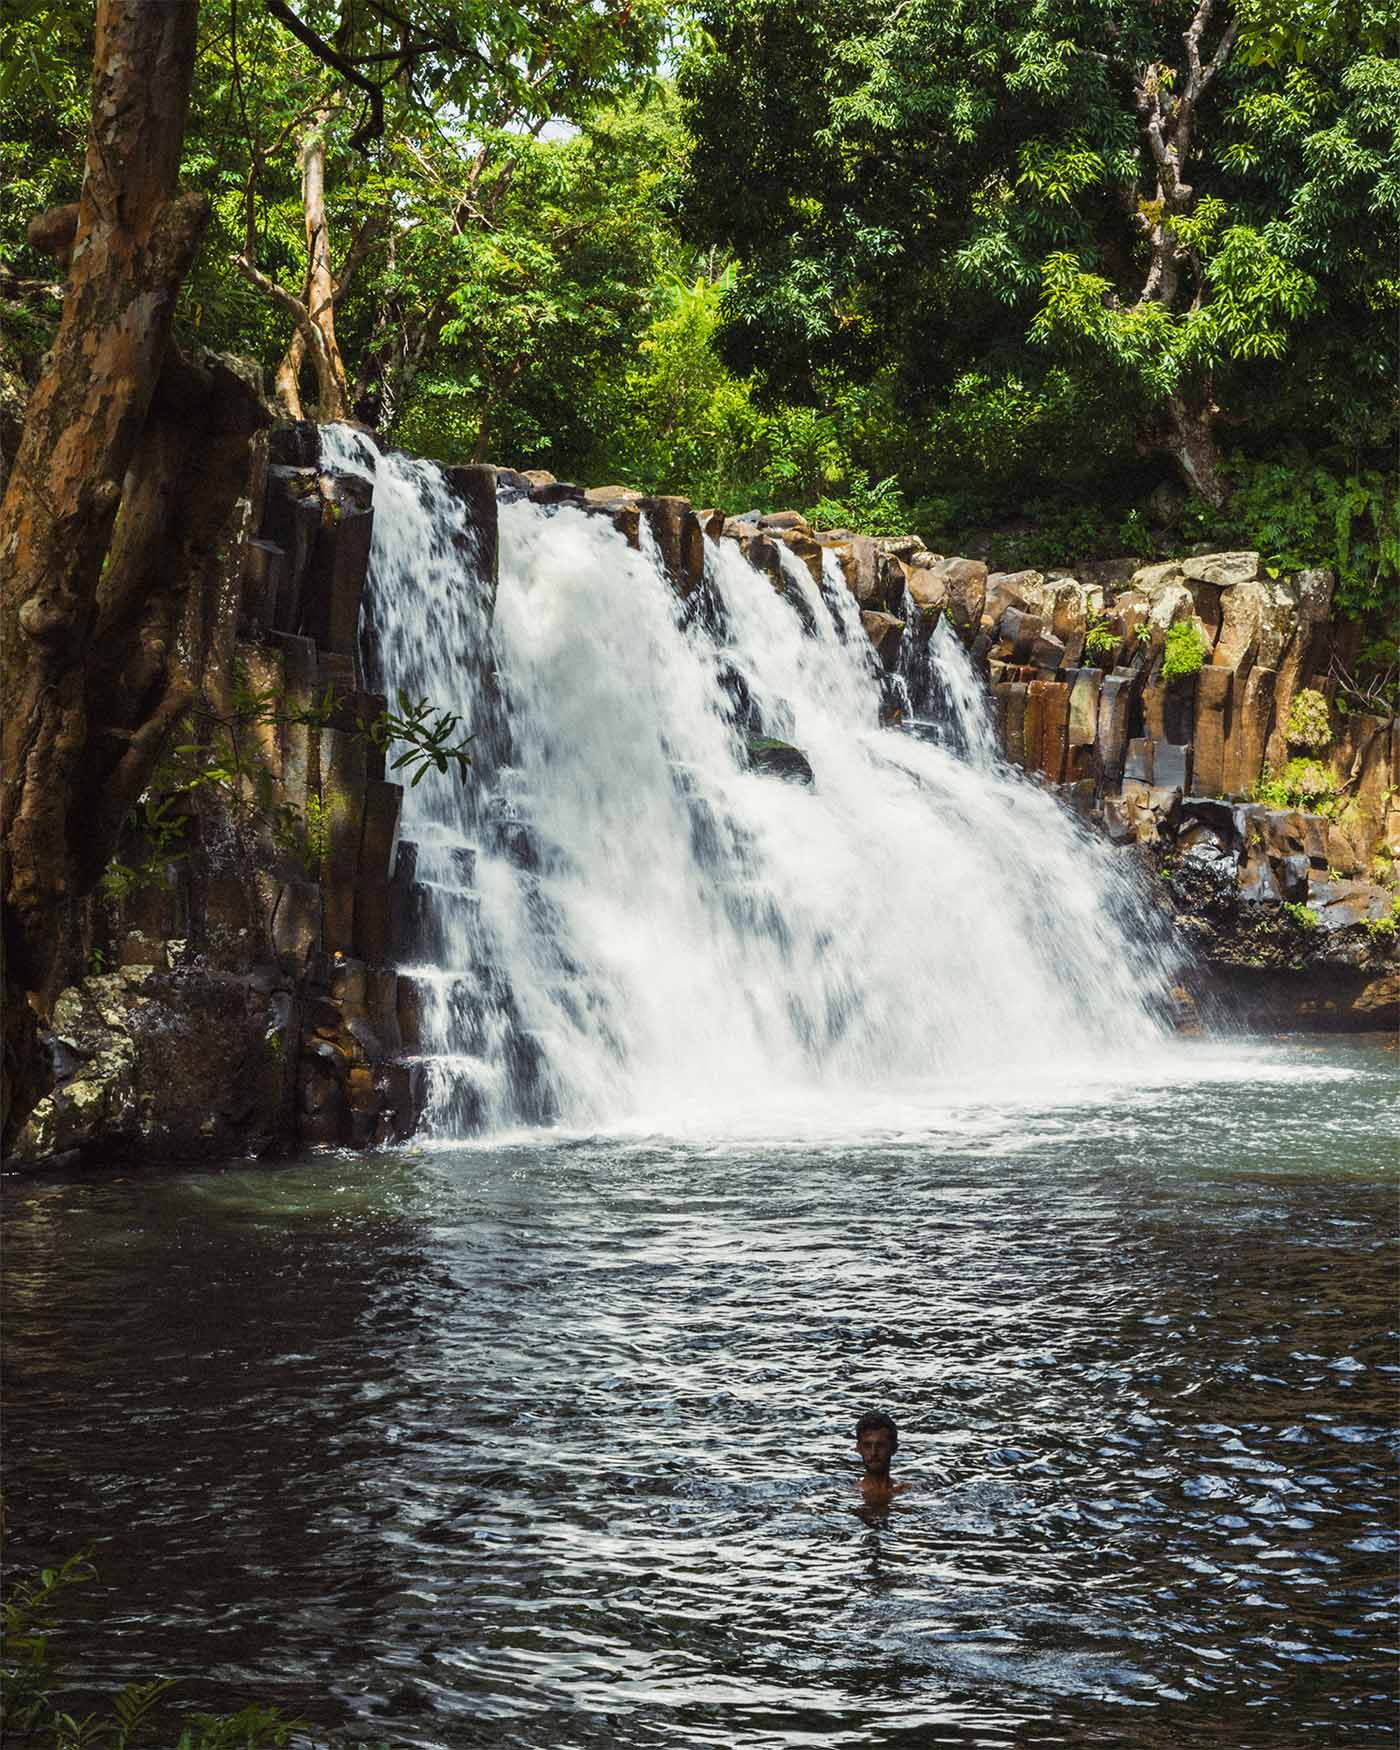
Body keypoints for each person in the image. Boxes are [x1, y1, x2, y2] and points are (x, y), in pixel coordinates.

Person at [854, 1410, 906, 1501]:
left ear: (894, 1448)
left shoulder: (907, 1491)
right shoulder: (848, 1493)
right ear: (859, 1448)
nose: (873, 1453)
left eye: (880, 1445)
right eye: (867, 1445)